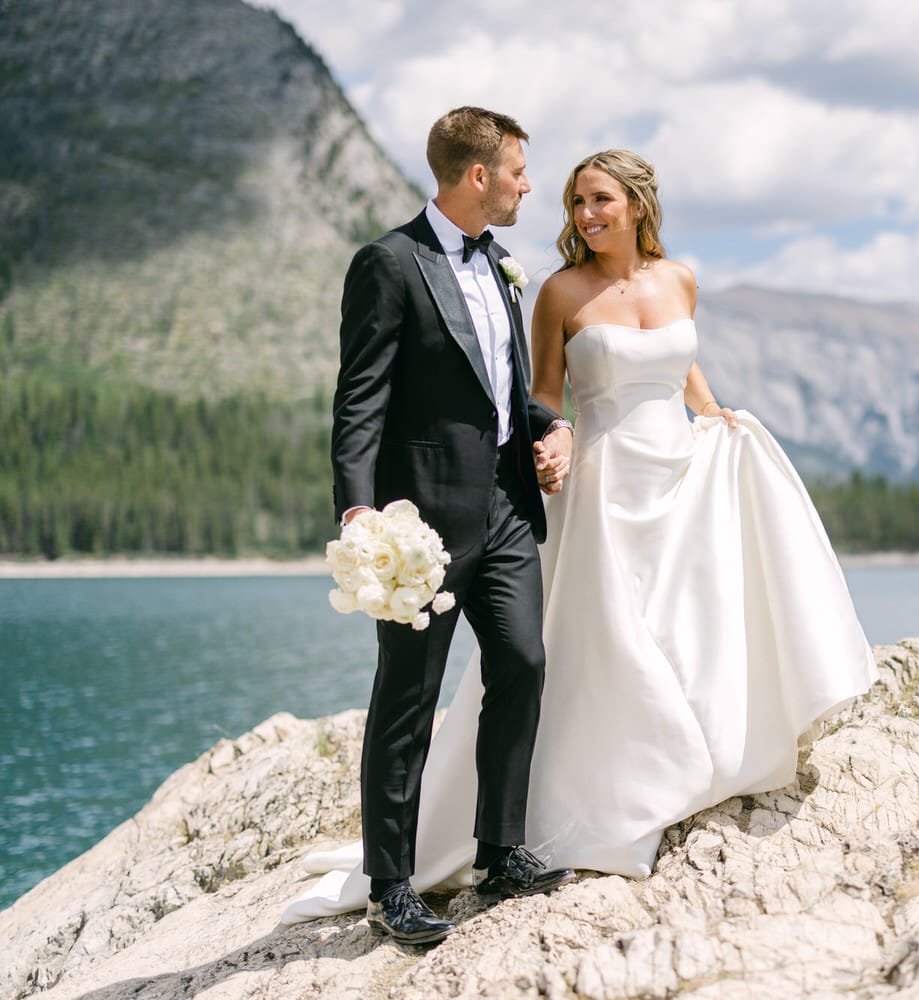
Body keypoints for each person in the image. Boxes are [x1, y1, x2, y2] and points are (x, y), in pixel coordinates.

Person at [283, 148, 873, 923]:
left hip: (670, 473)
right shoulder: (552, 288)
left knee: (630, 635)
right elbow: (538, 392)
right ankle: (413, 871)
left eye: (598, 200)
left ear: (636, 203)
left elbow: (682, 360)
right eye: (573, 202)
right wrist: (547, 436)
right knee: (571, 648)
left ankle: (550, 827)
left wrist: (716, 414)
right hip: (595, 486)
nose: (582, 215)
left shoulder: (676, 279)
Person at [325, 106, 576, 945]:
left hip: (505, 511)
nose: (526, 186)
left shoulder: (503, 267)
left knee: (523, 662)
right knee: (408, 698)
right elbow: (360, 396)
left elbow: (502, 390)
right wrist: (359, 509)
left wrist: (550, 428)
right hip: (419, 526)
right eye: (516, 171)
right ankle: (389, 885)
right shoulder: (389, 263)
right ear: (479, 176)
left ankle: (499, 849)